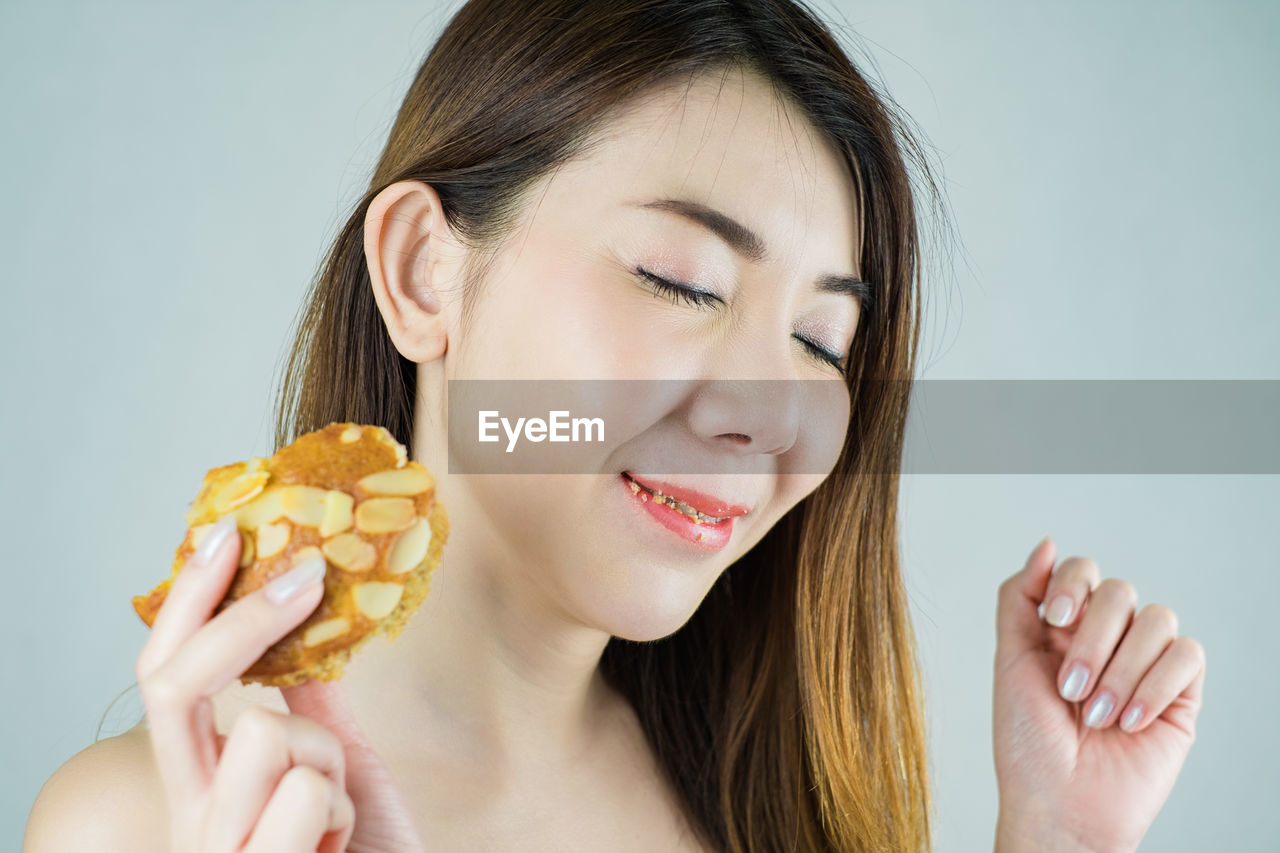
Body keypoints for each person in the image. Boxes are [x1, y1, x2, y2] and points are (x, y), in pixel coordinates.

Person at [24, 1, 1206, 850]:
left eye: (819, 344)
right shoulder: (146, 825)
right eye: (682, 281)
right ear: (424, 273)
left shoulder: (775, 801)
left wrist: (1055, 839)